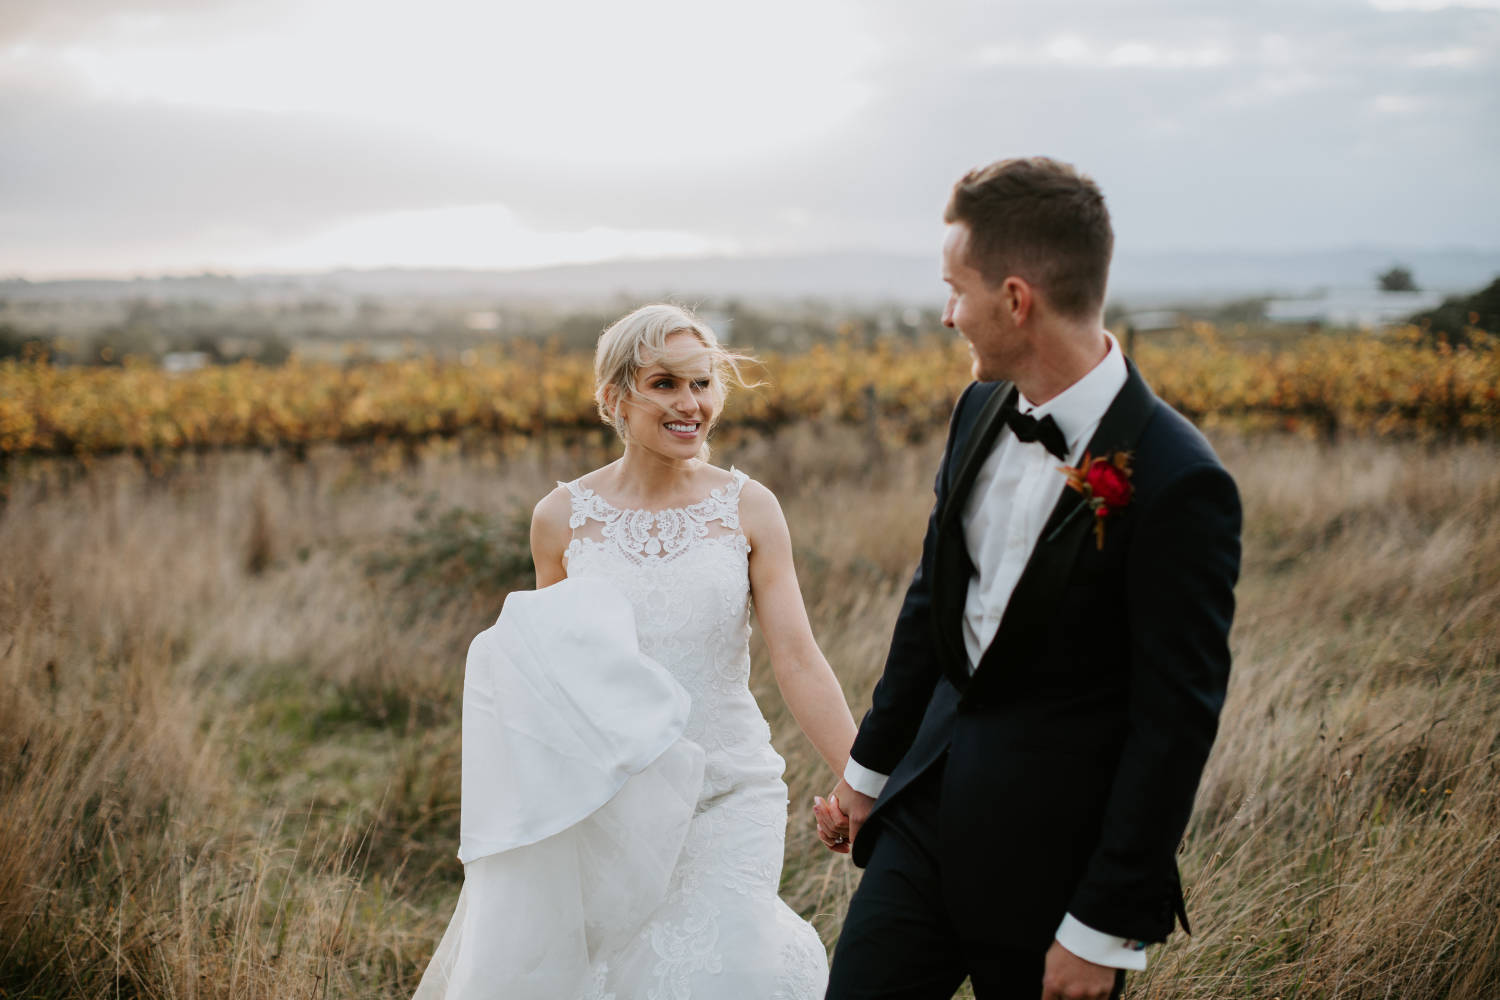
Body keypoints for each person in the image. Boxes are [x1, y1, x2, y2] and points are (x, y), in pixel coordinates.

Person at [813, 157, 1242, 1000]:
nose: (947, 315)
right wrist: (867, 776)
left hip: (1056, 867)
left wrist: (1102, 927)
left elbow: (1175, 720)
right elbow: (933, 603)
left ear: (1016, 299)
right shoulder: (976, 411)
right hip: (923, 818)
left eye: (956, 291)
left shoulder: (1176, 478)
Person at [414, 303, 855, 1000]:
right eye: (665, 384)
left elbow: (797, 655)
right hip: (610, 809)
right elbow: (552, 681)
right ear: (616, 397)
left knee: (724, 974)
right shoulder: (561, 521)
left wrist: (858, 779)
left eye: (702, 384)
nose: (691, 404)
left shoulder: (750, 507)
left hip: (729, 790)